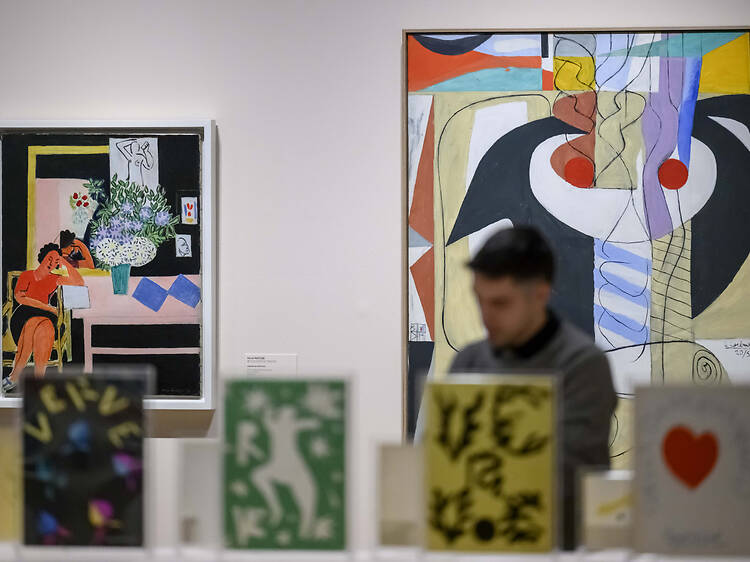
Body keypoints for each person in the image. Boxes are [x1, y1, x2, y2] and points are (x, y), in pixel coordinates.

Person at [449, 225, 617, 550]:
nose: (485, 316)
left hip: (559, 550)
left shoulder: (584, 366)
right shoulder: (468, 363)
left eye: (500, 303)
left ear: (540, 293)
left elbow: (568, 477)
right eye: (480, 300)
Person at [1, 243, 85, 392]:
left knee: (45, 327)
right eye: (50, 259)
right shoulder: (27, 275)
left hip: (45, 317)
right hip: (23, 315)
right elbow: (21, 298)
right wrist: (49, 308)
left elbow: (78, 282)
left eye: (56, 261)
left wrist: (63, 261)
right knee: (37, 323)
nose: (52, 263)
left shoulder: (55, 278)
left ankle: (23, 376)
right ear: (42, 258)